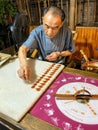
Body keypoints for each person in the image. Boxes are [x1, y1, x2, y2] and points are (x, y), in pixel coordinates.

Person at [17, 6, 75, 81]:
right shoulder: (37, 32)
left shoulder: (67, 32)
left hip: (60, 66)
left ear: (61, 24)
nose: (49, 32)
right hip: (42, 64)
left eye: (55, 28)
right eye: (46, 26)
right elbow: (22, 49)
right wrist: (23, 65)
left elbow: (71, 51)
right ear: (43, 20)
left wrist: (59, 54)